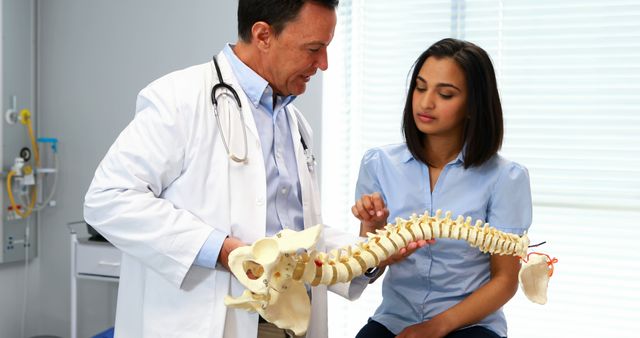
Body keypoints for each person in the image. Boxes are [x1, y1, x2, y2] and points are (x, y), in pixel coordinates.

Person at [84, 1, 372, 337]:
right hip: (209, 323)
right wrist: (221, 250)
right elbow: (107, 199)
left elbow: (298, 233)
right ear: (263, 35)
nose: (323, 64)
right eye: (314, 49)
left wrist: (369, 256)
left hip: (292, 325)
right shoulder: (179, 99)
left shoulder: (294, 123)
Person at [350, 38, 532, 338]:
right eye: (420, 88)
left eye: (445, 94)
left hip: (471, 326)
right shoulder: (378, 163)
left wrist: (436, 327)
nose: (426, 102)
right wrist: (372, 230)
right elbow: (367, 271)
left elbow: (505, 280)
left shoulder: (506, 178)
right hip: (393, 320)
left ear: (474, 105)